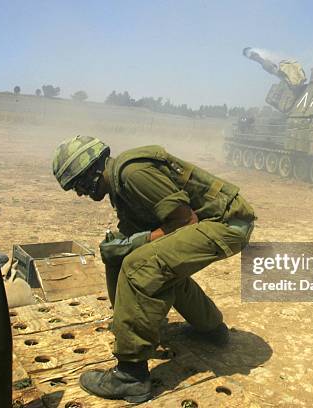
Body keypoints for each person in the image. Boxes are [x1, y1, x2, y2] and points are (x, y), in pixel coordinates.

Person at [52, 136, 256, 403]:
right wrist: (122, 245)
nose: (79, 193)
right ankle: (213, 331)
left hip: (228, 225)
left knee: (139, 267)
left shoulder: (132, 173)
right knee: (150, 262)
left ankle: (130, 376)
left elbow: (185, 220)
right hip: (212, 223)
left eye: (77, 184)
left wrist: (136, 243)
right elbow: (142, 232)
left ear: (92, 171)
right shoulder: (121, 187)